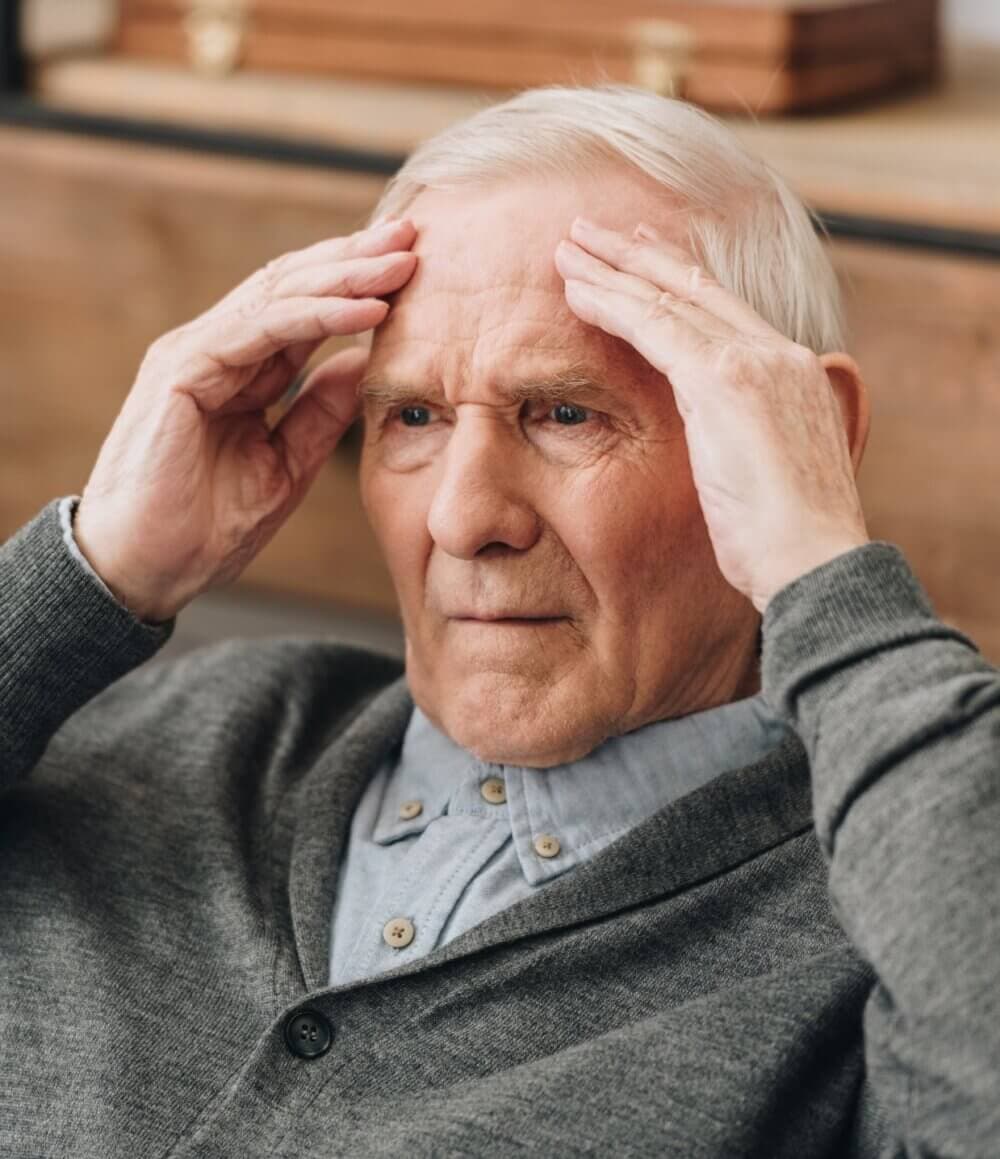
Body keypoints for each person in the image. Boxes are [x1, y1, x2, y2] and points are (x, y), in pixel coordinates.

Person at [1, 86, 996, 1158]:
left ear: (801, 437)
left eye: (565, 413)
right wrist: (90, 569)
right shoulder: (194, 727)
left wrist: (820, 563)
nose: (464, 517)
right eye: (413, 418)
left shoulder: (884, 921)